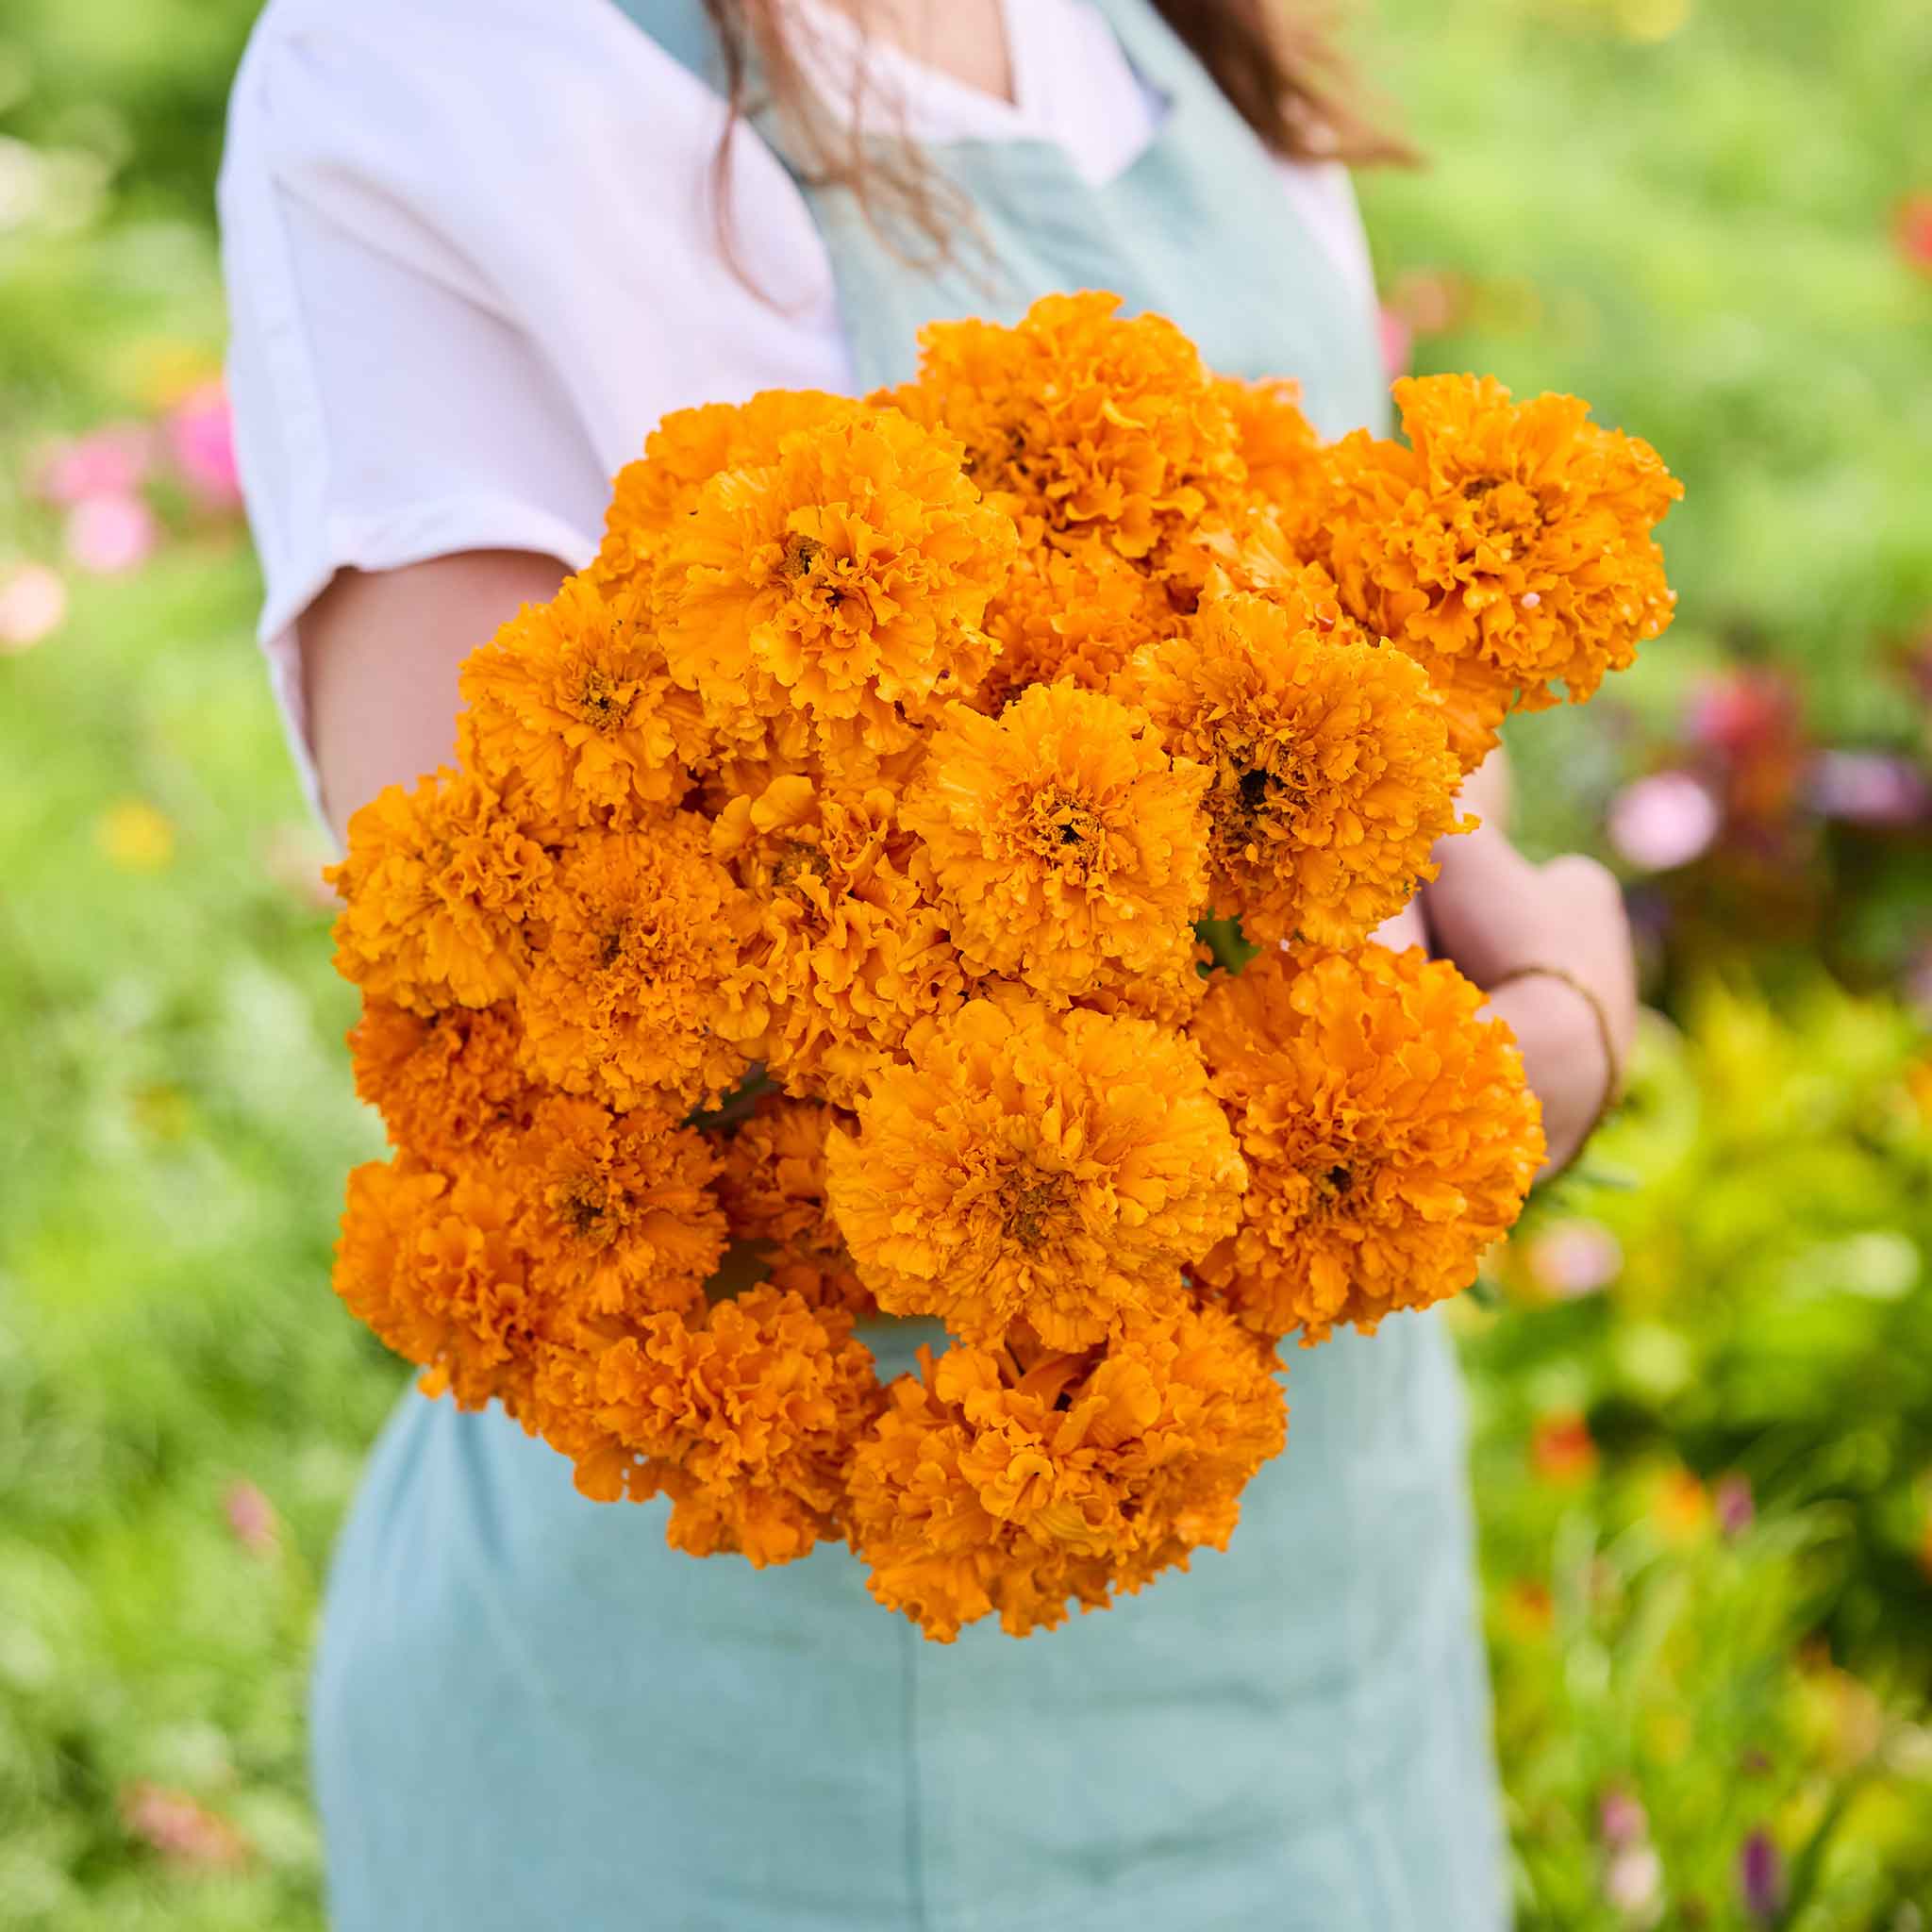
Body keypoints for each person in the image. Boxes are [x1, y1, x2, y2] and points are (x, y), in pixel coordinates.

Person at [218, 2, 1635, 1925]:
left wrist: (1451, 910)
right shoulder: (440, 65)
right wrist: (1528, 1056)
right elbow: (547, 1034)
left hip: (1318, 1630)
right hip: (755, 1746)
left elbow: (1362, 698)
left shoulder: (1161, 38)